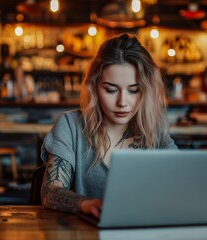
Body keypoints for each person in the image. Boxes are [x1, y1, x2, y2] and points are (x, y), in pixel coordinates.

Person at [40, 33, 177, 218]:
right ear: (94, 87)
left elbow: (182, 184)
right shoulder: (70, 126)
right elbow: (50, 192)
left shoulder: (154, 131)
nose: (122, 102)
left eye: (134, 90)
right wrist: (85, 204)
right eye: (111, 90)